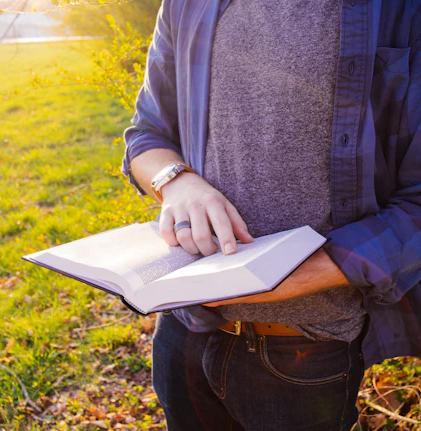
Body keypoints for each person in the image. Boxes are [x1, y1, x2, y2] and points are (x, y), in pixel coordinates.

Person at [121, 0, 421, 429]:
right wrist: (177, 181)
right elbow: (146, 133)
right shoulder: (186, 5)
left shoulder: (402, 10)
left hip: (305, 352)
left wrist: (298, 275)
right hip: (184, 329)